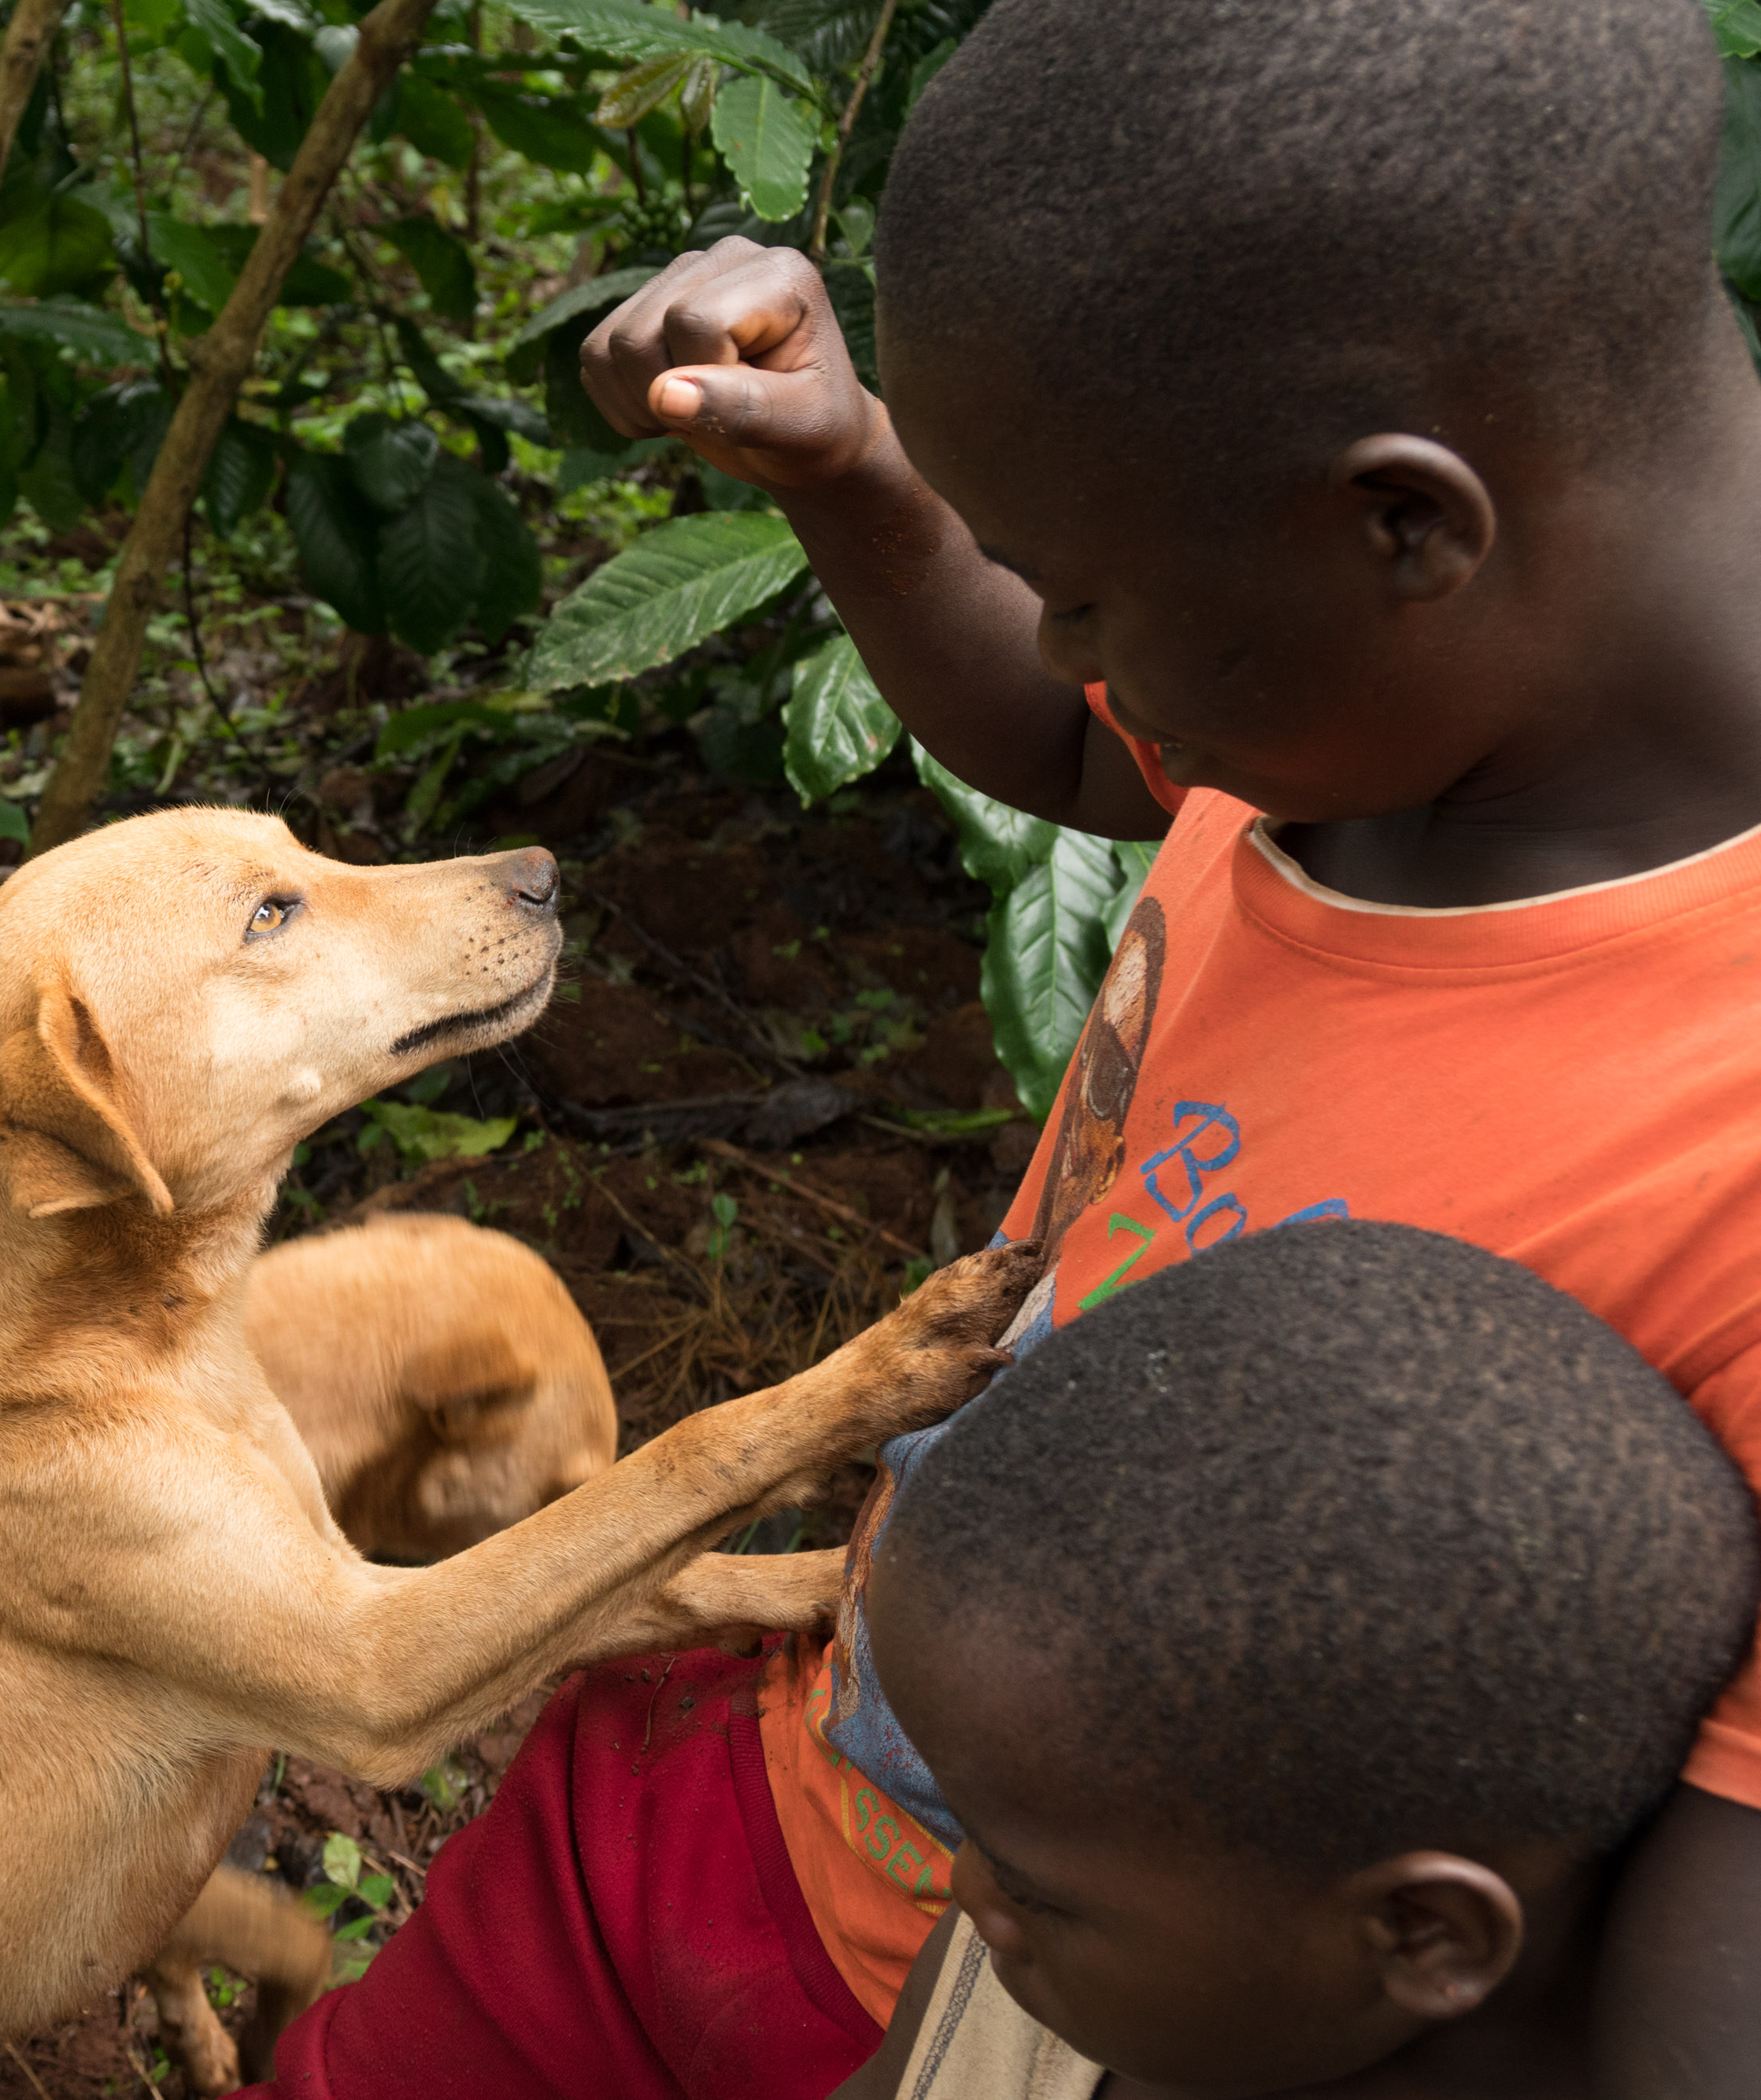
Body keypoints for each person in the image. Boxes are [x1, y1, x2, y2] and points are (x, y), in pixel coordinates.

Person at [250, 0, 1761, 2091]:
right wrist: (863, 481)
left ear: (1405, 526)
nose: (1063, 652)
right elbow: (1078, 743)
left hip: (1049, 2001)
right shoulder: (1395, 679)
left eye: (1078, 589)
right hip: (791, 1758)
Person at [836, 1222, 1760, 2100]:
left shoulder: (1077, 1917)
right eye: (982, 1834)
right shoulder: (1065, 1931)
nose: (963, 1889)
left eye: (1022, 1883)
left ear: (1422, 1935)